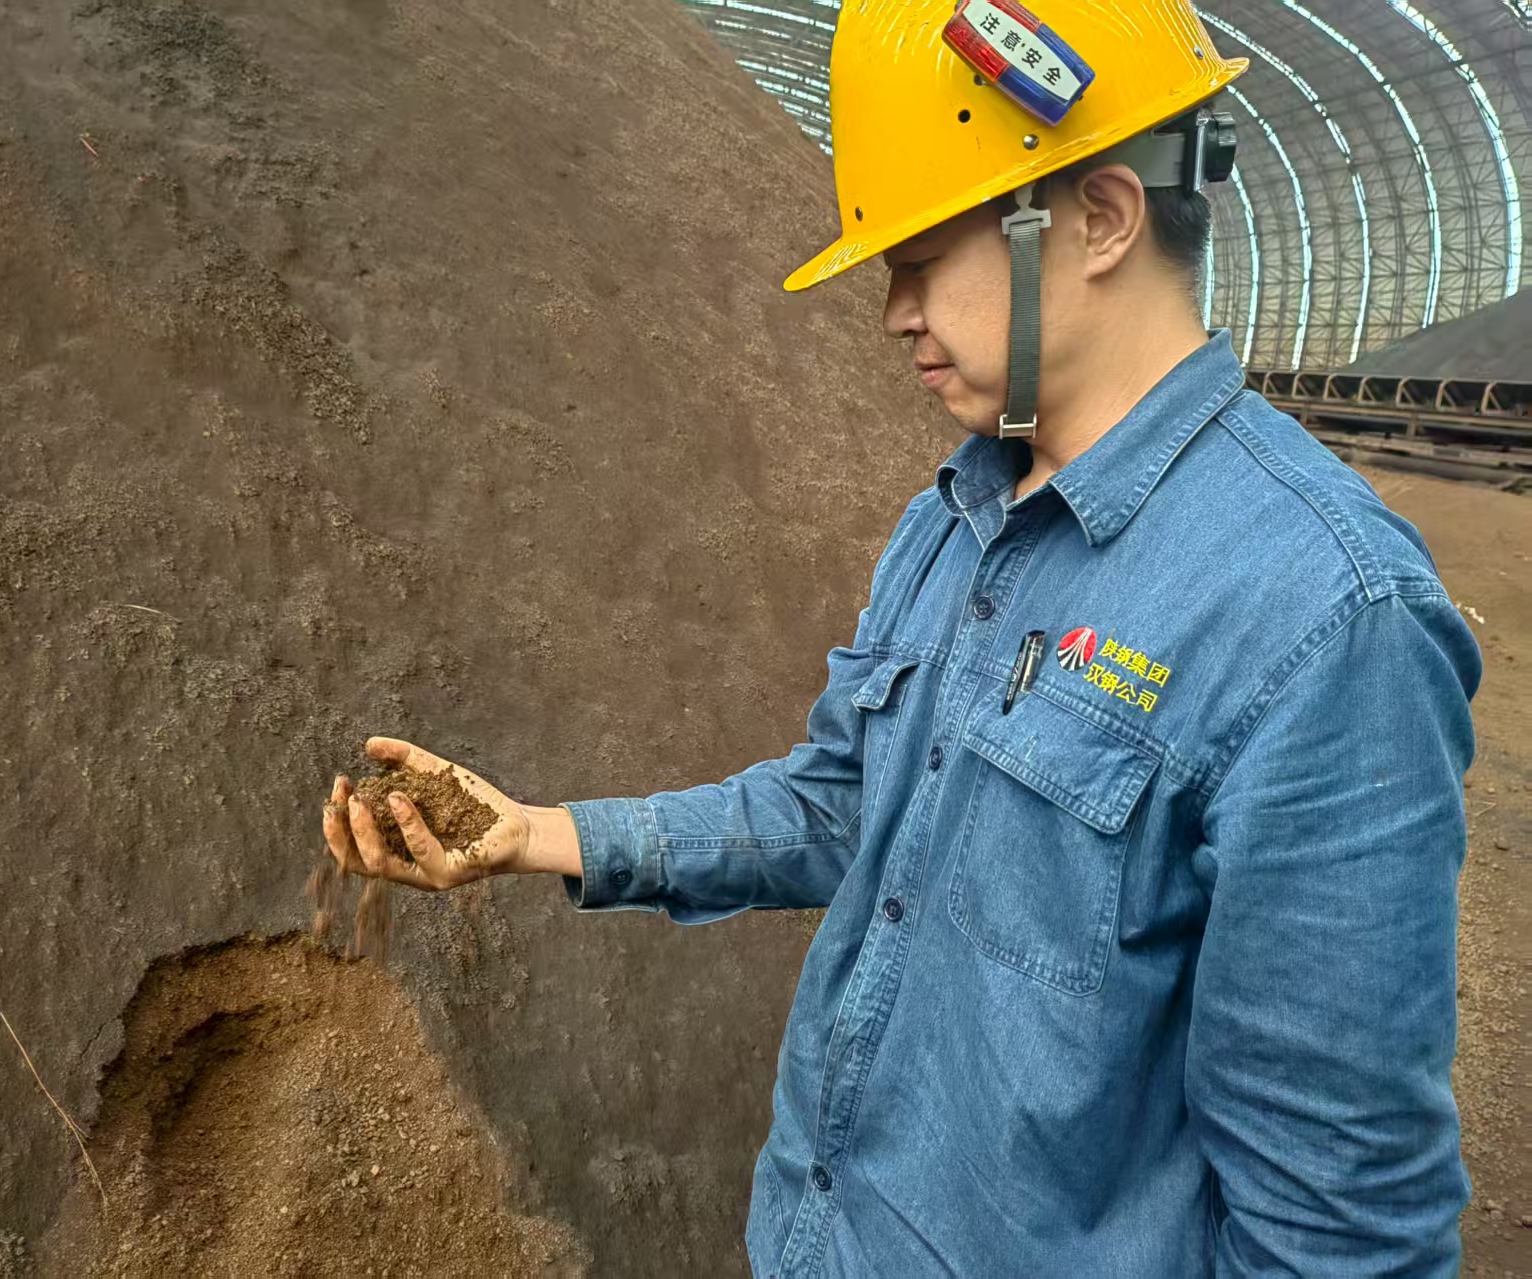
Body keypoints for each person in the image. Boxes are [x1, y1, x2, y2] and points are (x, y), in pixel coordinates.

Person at [322, 1, 1481, 1272]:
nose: (891, 311)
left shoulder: (1322, 616)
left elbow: (1341, 1223)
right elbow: (844, 805)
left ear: (1096, 217)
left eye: (923, 255)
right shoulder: (958, 515)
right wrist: (541, 834)